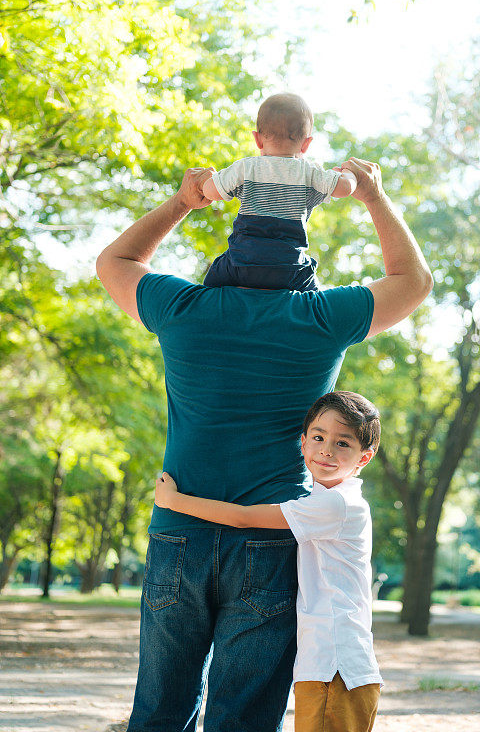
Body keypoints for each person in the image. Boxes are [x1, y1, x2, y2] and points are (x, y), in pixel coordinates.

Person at [95, 156, 432, 731]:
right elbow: (414, 282)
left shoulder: (183, 308)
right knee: (246, 717)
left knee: (159, 710)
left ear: (227, 256)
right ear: (304, 262)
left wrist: (183, 201)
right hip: (272, 543)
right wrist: (373, 195)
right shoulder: (323, 316)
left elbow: (114, 261)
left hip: (180, 532)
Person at [154, 390, 383, 732]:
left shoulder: (335, 505)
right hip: (327, 662)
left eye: (343, 444)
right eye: (319, 438)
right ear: (302, 442)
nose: (327, 450)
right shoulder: (323, 500)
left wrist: (173, 501)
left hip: (336, 664)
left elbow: (244, 518)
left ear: (364, 457)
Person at [201, 92, 357, 292]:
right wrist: (349, 174)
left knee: (208, 287)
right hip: (290, 270)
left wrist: (208, 180)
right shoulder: (309, 172)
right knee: (315, 299)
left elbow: (210, 191)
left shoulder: (246, 168)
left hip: (241, 263)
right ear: (306, 144)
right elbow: (345, 188)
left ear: (257, 139)